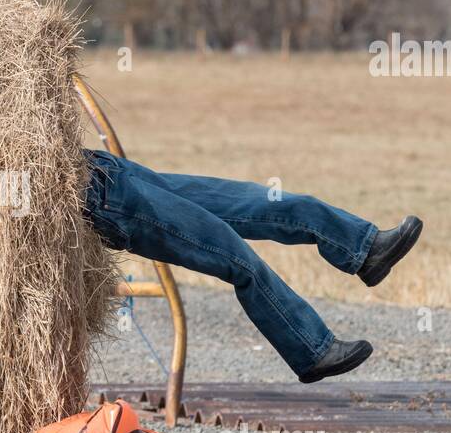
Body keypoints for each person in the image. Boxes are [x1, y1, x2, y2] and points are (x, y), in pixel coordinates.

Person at [82, 149, 422, 383]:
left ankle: (365, 248)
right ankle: (312, 349)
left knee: (255, 201)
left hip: (100, 168)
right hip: (104, 202)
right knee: (235, 257)